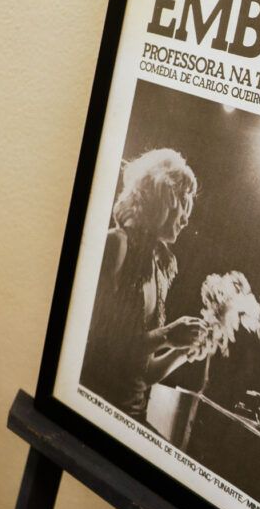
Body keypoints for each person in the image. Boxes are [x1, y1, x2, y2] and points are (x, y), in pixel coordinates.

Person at [79, 148, 207, 423]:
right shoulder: (117, 244)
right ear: (162, 196)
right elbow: (100, 349)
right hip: (95, 409)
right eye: (183, 201)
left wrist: (182, 350)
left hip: (132, 415)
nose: (187, 219)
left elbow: (143, 372)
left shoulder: (160, 268)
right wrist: (168, 334)